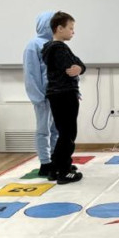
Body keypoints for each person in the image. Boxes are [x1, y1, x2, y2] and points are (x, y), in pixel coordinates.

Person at [41, 11, 86, 184]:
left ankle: (56, 167)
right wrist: (79, 67)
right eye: (71, 28)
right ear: (59, 28)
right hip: (65, 93)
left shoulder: (49, 47)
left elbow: (79, 64)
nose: (73, 32)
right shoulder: (59, 48)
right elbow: (72, 65)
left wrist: (80, 67)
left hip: (56, 94)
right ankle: (64, 171)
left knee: (63, 132)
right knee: (68, 133)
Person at [23, 11, 59, 177]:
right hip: (43, 97)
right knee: (43, 130)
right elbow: (31, 73)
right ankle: (45, 163)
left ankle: (55, 159)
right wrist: (37, 97)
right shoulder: (34, 45)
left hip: (58, 95)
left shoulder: (57, 44)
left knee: (57, 129)